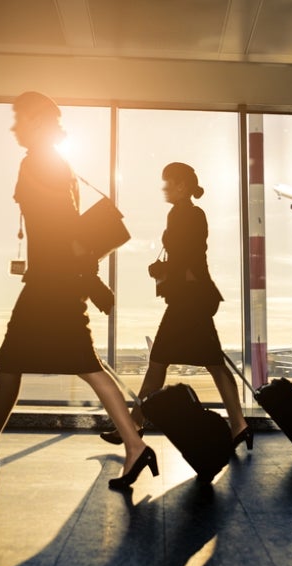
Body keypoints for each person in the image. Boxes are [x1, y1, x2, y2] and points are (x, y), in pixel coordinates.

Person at [0, 91, 156, 493]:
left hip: (51, 286)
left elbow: (65, 231)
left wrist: (90, 282)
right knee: (20, 365)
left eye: (20, 118)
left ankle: (134, 444)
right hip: (52, 282)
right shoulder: (56, 164)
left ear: (38, 122)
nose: (15, 126)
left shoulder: (41, 163)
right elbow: (66, 230)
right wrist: (90, 282)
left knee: (70, 365)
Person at [100, 162, 252, 450]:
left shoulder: (190, 214)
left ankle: (134, 425)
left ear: (182, 185)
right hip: (191, 299)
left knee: (161, 362)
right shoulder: (181, 213)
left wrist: (163, 271)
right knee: (208, 363)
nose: (164, 188)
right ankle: (239, 425)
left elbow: (190, 257)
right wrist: (166, 269)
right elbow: (186, 256)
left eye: (168, 183)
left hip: (190, 300)